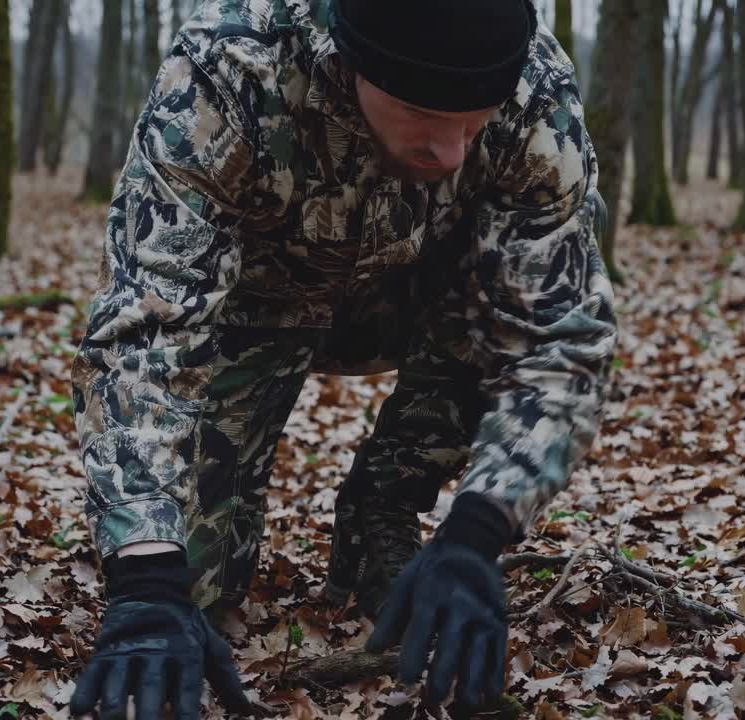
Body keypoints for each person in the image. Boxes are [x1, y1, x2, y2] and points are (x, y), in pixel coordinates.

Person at [67, 0, 616, 717]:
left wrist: (480, 529)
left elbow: (559, 338)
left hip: (431, 297)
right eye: (425, 113)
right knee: (191, 586)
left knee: (544, 273)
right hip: (251, 307)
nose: (450, 152)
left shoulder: (535, 91)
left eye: (474, 123)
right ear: (346, 63)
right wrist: (144, 575)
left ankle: (383, 507)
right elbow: (144, 331)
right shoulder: (228, 70)